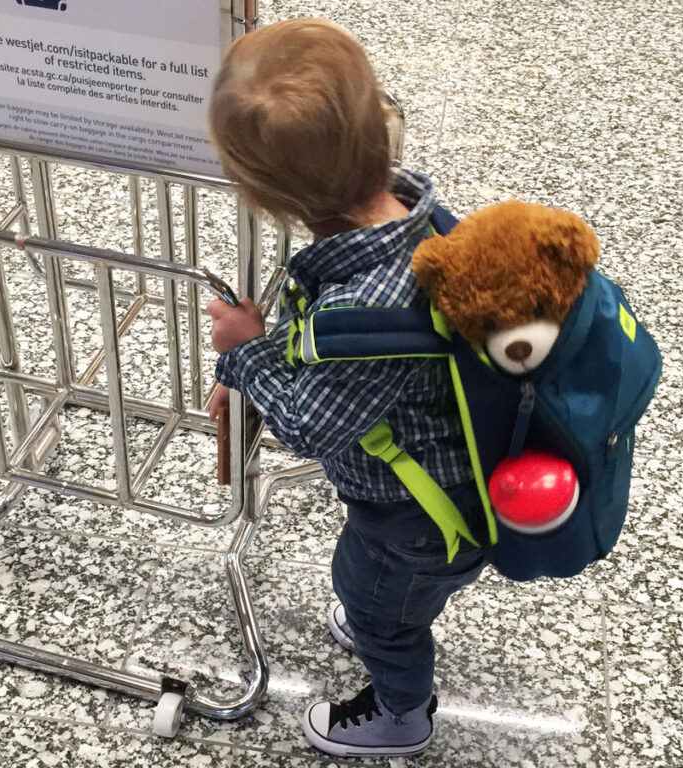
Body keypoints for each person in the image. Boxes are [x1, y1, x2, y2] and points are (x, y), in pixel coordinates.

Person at [205, 18, 489, 758]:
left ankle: (402, 711)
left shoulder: (364, 316)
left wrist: (246, 352)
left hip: (418, 515)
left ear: (266, 198)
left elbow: (306, 425)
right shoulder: (416, 220)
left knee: (376, 608)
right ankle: (392, 609)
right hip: (445, 484)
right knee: (380, 589)